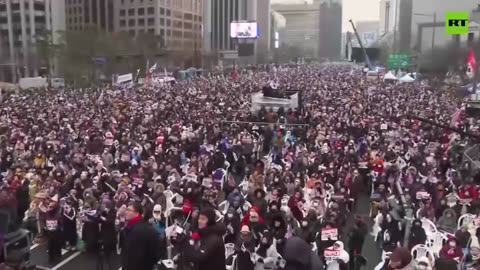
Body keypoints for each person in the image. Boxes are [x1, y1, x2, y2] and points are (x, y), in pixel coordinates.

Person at [120, 201, 160, 270]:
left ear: (137, 213)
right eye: (126, 210)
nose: (126, 212)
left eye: (129, 210)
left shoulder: (145, 230)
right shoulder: (128, 227)